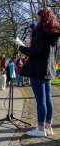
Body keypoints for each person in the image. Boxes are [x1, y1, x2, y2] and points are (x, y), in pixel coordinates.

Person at [18, 8, 60, 137]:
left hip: (38, 70)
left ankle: (40, 129)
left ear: (43, 18)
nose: (37, 20)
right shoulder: (54, 33)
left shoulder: (40, 33)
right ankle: (48, 127)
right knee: (48, 100)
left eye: (38, 18)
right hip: (49, 69)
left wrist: (20, 46)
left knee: (41, 100)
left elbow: (34, 52)